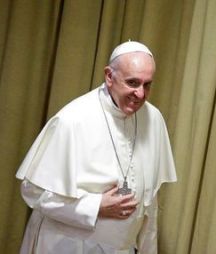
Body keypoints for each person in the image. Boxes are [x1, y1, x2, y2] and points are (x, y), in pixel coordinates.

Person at [16, 41, 177, 254]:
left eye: (147, 85)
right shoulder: (72, 119)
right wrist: (95, 206)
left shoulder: (153, 118)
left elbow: (150, 204)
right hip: (67, 245)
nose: (140, 94)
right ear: (109, 76)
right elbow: (33, 192)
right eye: (133, 83)